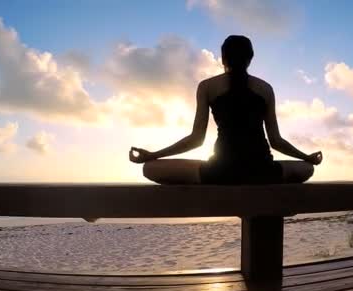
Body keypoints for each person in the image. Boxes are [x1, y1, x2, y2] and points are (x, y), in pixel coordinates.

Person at [130, 35, 322, 185]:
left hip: (220, 172)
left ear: (223, 58)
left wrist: (153, 155)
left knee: (149, 169)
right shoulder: (265, 88)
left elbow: (196, 140)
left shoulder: (207, 86)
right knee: (307, 169)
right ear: (250, 59)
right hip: (262, 171)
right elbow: (276, 142)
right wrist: (307, 158)